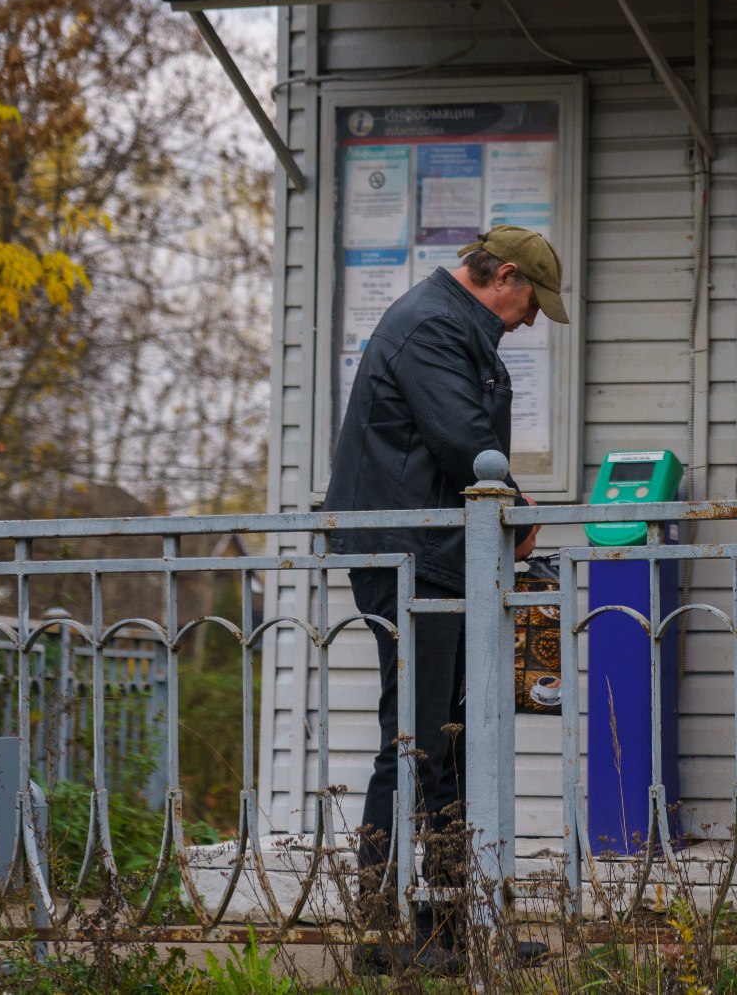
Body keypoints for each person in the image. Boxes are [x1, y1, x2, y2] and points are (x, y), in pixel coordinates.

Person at [323, 225, 563, 962]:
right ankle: (382, 934)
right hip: (409, 558)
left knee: (450, 742)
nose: (530, 319)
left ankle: (457, 926)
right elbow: (464, 441)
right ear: (506, 275)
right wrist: (514, 510)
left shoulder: (447, 323)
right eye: (533, 303)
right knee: (415, 741)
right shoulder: (431, 324)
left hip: (434, 554)